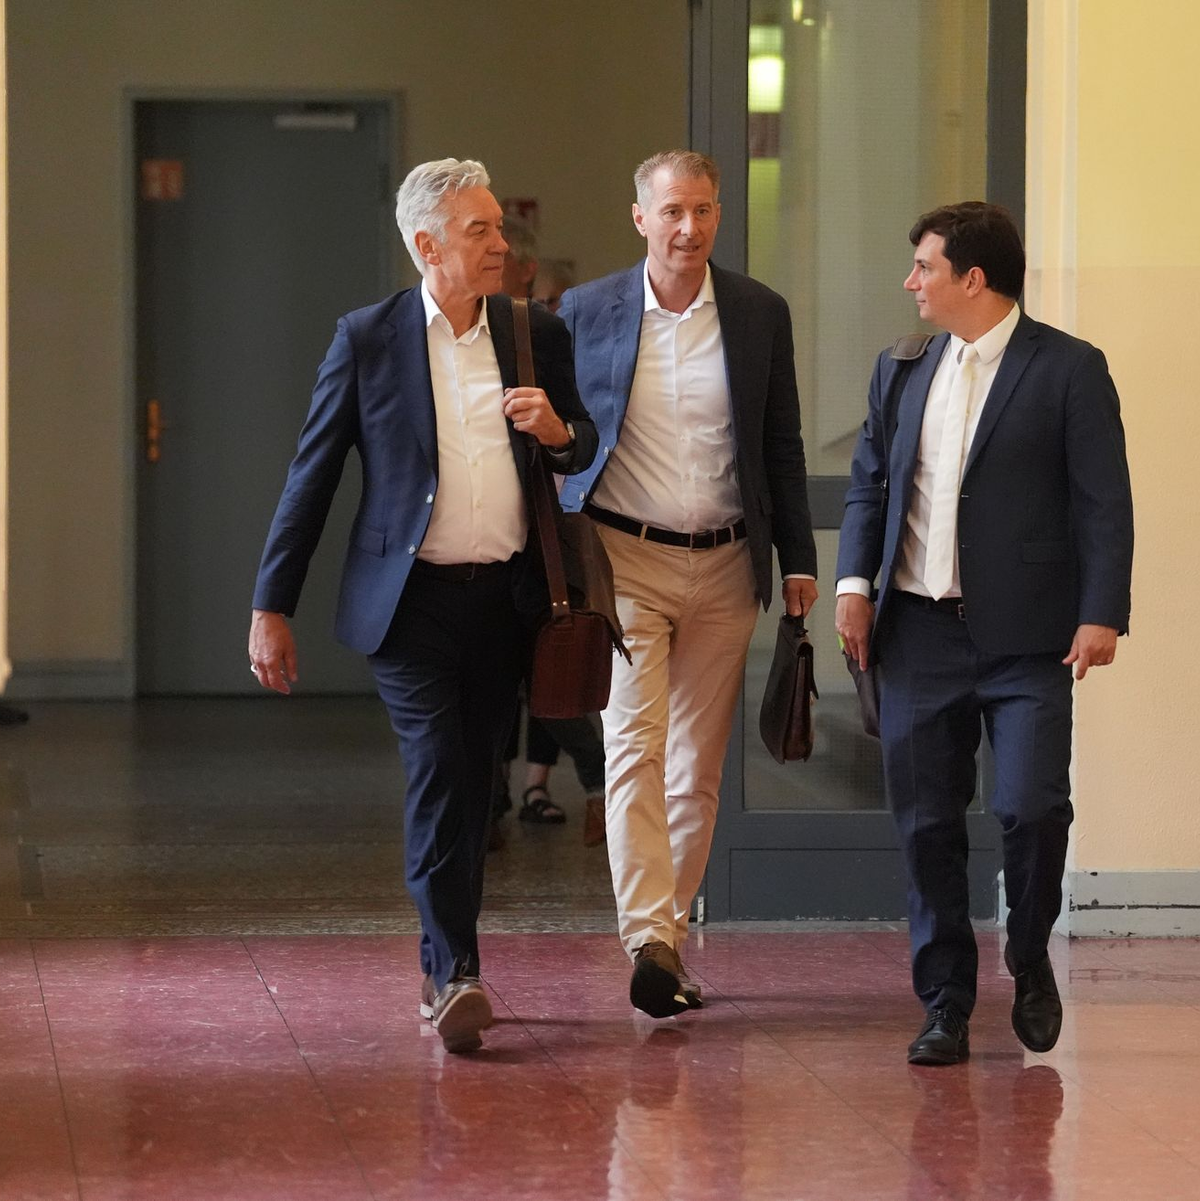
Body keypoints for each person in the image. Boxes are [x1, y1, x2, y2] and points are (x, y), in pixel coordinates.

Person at [248, 158, 597, 1054]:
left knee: (474, 783)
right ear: (426, 245)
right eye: (478, 230)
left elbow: (582, 436)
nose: (499, 243)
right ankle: (455, 972)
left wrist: (558, 435)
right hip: (409, 607)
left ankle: (449, 960)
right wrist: (270, 603)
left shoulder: (533, 333)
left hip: (509, 601)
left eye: (497, 226)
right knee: (443, 772)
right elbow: (312, 476)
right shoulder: (368, 338)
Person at [835, 202, 1133, 1065]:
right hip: (917, 634)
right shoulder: (903, 366)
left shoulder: (1070, 369)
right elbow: (867, 484)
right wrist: (855, 584)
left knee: (1031, 807)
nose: (911, 282)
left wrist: (1101, 610)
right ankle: (946, 1000)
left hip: (1030, 638)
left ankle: (1031, 954)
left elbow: (1102, 502)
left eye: (923, 266)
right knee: (927, 822)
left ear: (973, 278)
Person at [559, 149, 819, 1018]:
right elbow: (563, 439)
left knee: (696, 765)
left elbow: (779, 443)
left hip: (725, 562)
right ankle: (650, 938)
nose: (690, 227)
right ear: (640, 218)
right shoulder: (587, 310)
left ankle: (663, 937)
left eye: (704, 210)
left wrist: (799, 562)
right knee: (632, 741)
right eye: (672, 211)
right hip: (624, 558)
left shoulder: (755, 314)